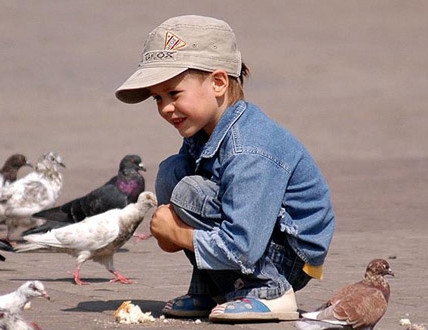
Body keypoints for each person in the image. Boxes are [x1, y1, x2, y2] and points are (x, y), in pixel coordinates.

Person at [115, 15, 336, 322]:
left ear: (218, 82)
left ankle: (269, 290)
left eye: (174, 94)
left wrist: (180, 234)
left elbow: (244, 245)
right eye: (158, 98)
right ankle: (214, 289)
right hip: (257, 236)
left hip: (288, 256)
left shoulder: (249, 148)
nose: (165, 108)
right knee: (174, 173)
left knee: (189, 191)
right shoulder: (203, 133)